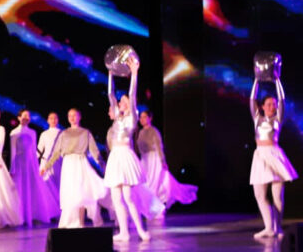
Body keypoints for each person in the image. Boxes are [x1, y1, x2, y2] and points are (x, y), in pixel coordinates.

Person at [104, 59, 151, 242]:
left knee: (128, 197)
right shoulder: (116, 118)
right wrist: (110, 73)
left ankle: (140, 230)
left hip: (125, 155)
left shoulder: (132, 119)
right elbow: (110, 93)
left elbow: (132, 94)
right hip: (115, 157)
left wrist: (134, 73)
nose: (121, 102)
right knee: (116, 198)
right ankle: (123, 232)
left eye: (124, 101)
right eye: (121, 101)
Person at [40, 108, 108, 229]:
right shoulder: (64, 133)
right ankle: (71, 221)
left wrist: (103, 166)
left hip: (80, 163)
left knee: (81, 192)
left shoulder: (85, 132)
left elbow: (94, 152)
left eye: (74, 115)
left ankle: (80, 222)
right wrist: (46, 166)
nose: (72, 118)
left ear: (79, 117)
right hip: (68, 165)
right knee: (70, 192)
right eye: (69, 116)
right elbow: (56, 152)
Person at [249, 76, 298, 240]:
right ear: (262, 107)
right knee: (259, 194)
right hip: (260, 156)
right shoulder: (257, 119)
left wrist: (277, 81)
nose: (272, 106)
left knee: (277, 196)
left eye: (273, 104)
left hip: (275, 155)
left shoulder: (277, 120)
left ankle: (278, 228)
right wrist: (256, 80)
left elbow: (282, 100)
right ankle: (269, 227)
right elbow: (252, 100)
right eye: (268, 104)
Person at [137, 108, 197, 214]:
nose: (142, 119)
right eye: (141, 117)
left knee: (153, 183)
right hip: (144, 160)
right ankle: (151, 207)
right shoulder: (140, 132)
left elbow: (159, 146)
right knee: (145, 183)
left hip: (153, 160)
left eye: (145, 117)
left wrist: (162, 160)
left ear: (150, 118)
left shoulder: (154, 131)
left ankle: (155, 208)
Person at [11, 109, 58, 226]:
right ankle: (20, 216)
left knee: (32, 189)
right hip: (19, 163)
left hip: (31, 163)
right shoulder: (14, 132)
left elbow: (33, 151)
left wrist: (36, 166)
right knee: (20, 188)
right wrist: (12, 168)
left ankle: (32, 215)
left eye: (28, 116)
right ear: (19, 117)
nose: (26, 118)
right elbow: (13, 151)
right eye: (24, 115)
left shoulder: (33, 132)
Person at [38, 112, 63, 199]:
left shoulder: (62, 133)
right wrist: (32, 160)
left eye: (55, 118)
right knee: (45, 184)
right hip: (45, 161)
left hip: (58, 162)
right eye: (51, 118)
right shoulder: (44, 134)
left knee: (58, 184)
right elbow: (39, 149)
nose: (53, 120)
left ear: (58, 120)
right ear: (48, 120)